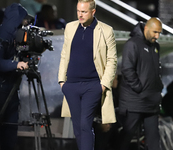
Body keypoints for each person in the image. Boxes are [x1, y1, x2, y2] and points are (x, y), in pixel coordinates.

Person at [58, 0, 117, 150]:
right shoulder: (70, 27)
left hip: (93, 85)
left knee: (85, 123)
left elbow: (112, 59)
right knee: (78, 126)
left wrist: (103, 85)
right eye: (78, 11)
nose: (80, 14)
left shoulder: (106, 30)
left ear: (93, 12)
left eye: (84, 11)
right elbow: (65, 54)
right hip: (71, 85)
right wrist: (62, 82)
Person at [0, 3, 30, 150]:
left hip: (10, 88)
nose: (26, 22)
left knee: (10, 130)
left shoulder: (16, 35)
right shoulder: (1, 35)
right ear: (16, 18)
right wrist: (16, 65)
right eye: (23, 19)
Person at [118, 17, 164, 150]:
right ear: (146, 29)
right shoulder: (132, 44)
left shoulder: (156, 46)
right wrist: (139, 88)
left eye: (159, 33)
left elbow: (155, 71)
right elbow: (127, 69)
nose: (157, 36)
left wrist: (157, 87)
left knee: (154, 140)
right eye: (155, 32)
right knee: (126, 138)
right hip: (134, 102)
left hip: (151, 102)